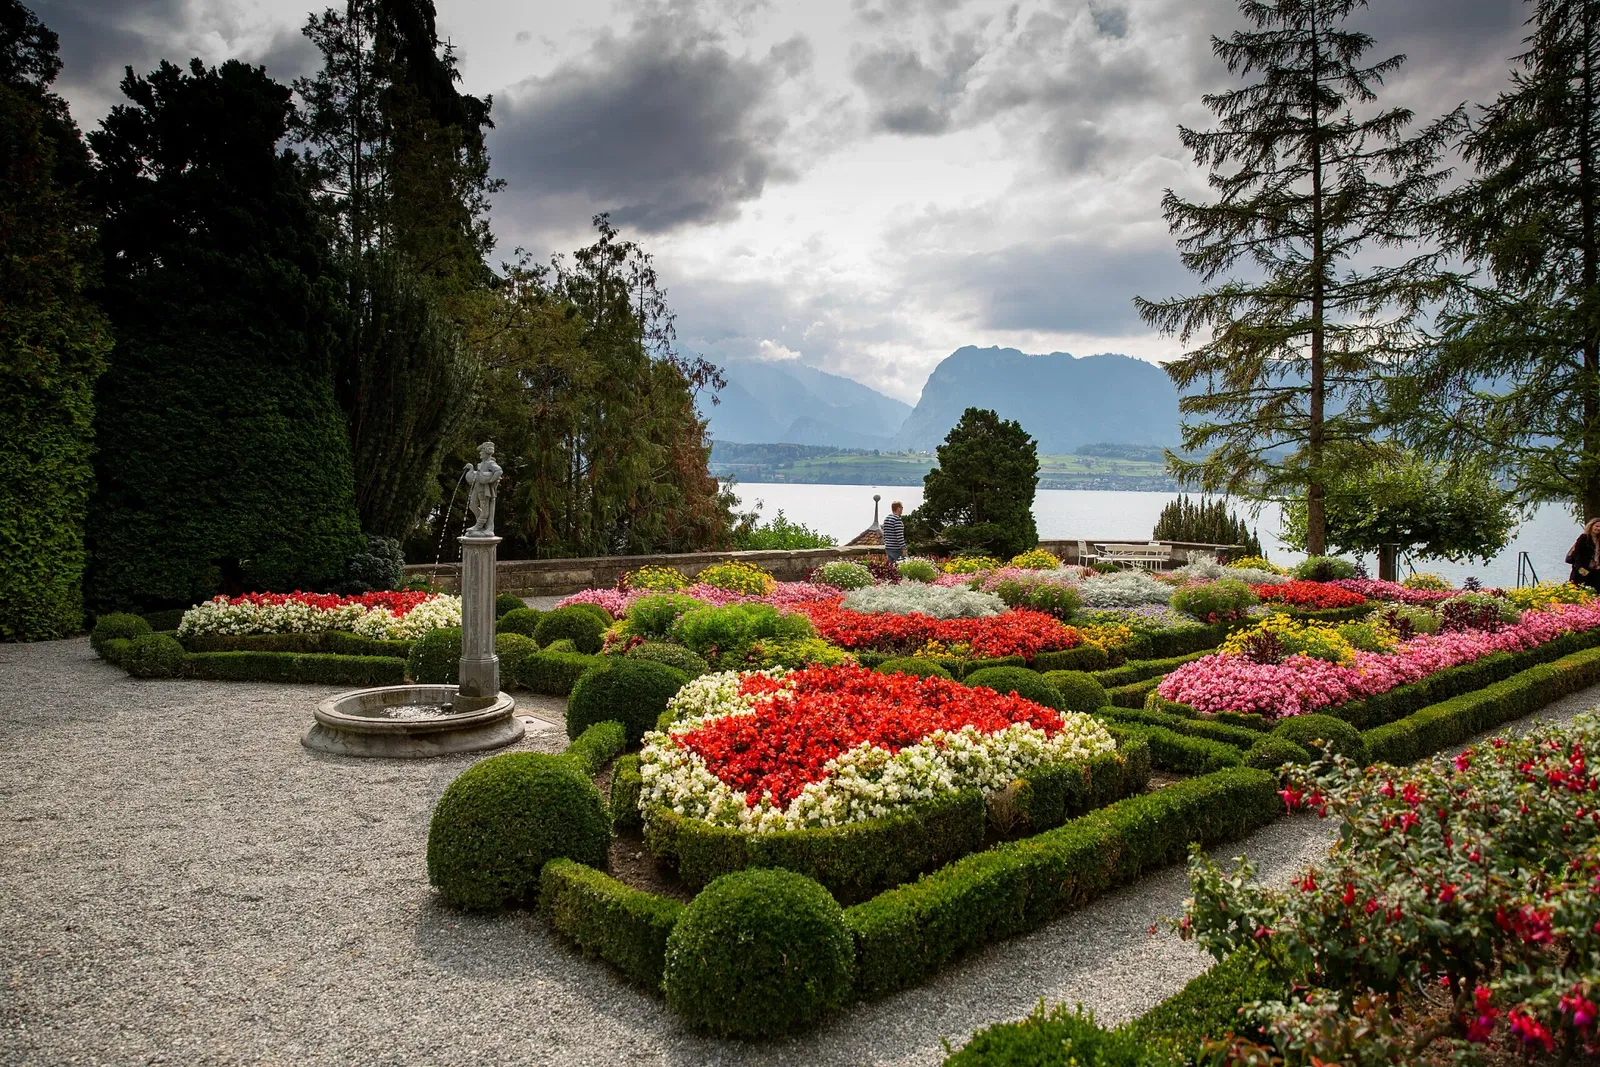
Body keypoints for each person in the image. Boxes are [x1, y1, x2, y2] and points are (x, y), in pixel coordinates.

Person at [1569, 518, 1600, 592]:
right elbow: (1577, 554)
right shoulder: (1584, 538)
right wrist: (1579, 568)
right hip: (1583, 568)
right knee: (1578, 589)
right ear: (1591, 526)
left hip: (1596, 569)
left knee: (1597, 591)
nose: (1598, 528)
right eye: (1596, 526)